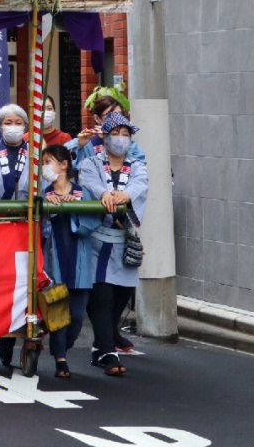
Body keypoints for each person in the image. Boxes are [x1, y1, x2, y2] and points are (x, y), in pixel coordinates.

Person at [78, 112, 148, 376]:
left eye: (125, 134)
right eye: (115, 134)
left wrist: (125, 194)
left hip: (123, 240)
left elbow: (141, 185)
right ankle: (108, 353)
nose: (120, 139)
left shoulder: (137, 166)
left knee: (120, 297)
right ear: (104, 137)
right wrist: (104, 193)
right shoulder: (92, 163)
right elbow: (88, 180)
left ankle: (100, 345)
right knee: (102, 297)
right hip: (98, 242)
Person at [0, 103, 41, 364]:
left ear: (25, 127)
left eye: (18, 122)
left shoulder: (36, 154)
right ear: (0, 125)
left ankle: (23, 335)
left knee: (24, 286)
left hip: (25, 228)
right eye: (8, 122)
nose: (13, 126)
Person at [40, 144, 100, 378]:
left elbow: (92, 223)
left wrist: (71, 207)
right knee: (57, 313)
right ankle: (60, 359)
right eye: (44, 162)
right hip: (54, 263)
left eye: (49, 161)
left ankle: (64, 347)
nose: (45, 167)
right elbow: (40, 228)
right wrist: (49, 208)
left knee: (76, 316)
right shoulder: (43, 194)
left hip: (79, 263)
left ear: (64, 165)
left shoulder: (82, 192)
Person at [73, 92, 145, 170]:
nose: (115, 119)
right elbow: (75, 168)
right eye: (109, 115)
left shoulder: (126, 140)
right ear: (97, 118)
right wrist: (78, 146)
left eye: (119, 115)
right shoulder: (87, 142)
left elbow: (140, 163)